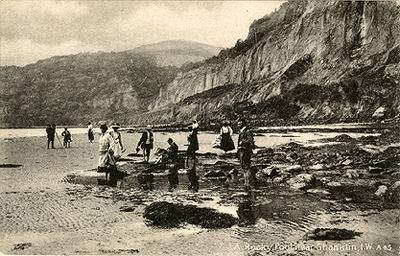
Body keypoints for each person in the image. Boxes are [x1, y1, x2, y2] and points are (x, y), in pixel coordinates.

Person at [237, 119, 255, 192]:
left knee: (246, 167)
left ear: (243, 124)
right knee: (243, 167)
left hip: (246, 151)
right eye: (238, 124)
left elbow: (250, 141)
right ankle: (246, 183)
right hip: (241, 151)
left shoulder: (247, 131)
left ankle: (247, 184)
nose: (238, 125)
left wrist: (242, 143)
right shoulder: (242, 131)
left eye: (239, 124)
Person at [186, 123, 199, 192]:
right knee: (190, 153)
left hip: (192, 146)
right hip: (193, 146)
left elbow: (193, 141)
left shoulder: (193, 133)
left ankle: (191, 162)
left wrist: (189, 139)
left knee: (190, 153)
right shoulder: (193, 133)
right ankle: (192, 160)